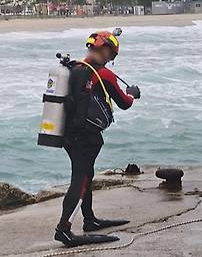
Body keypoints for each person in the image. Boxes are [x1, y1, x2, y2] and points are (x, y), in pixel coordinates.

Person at [54, 31, 141, 247]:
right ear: (104, 50)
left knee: (86, 174)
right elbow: (124, 103)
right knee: (81, 179)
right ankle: (63, 230)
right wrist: (133, 93)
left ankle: (89, 220)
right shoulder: (103, 74)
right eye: (111, 55)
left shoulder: (74, 68)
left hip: (67, 135)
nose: (111, 59)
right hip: (85, 137)